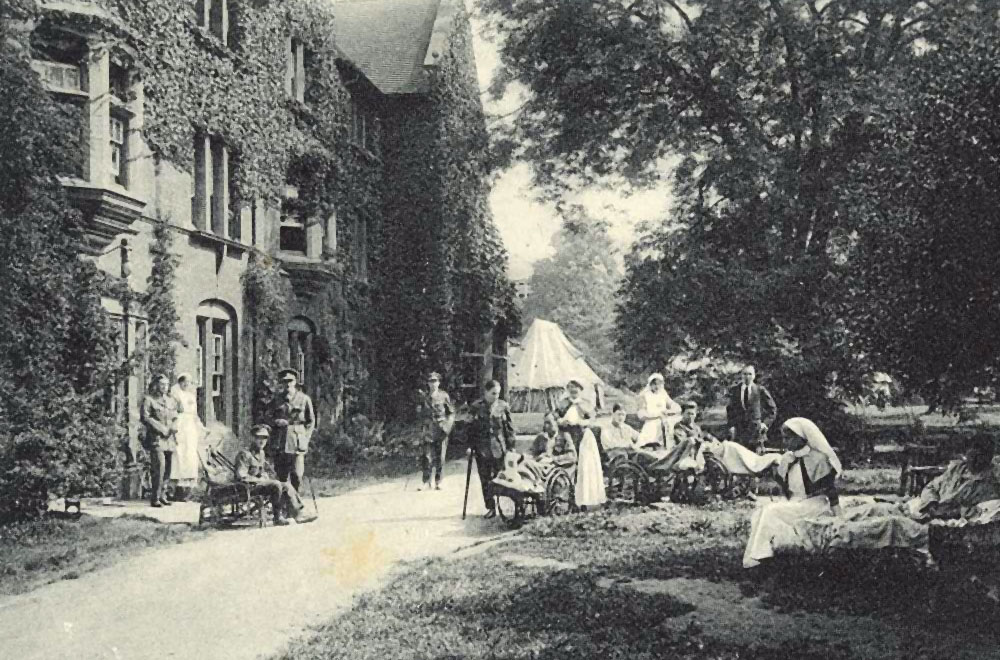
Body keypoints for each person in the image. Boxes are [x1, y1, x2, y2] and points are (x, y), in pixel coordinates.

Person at [743, 417, 842, 568]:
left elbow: (830, 491)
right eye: (783, 438)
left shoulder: (818, 459)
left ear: (801, 438)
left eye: (788, 438)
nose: (785, 442)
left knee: (771, 511)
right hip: (796, 503)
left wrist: (839, 517)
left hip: (815, 504)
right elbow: (787, 487)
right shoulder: (788, 458)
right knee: (760, 513)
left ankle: (760, 557)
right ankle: (757, 556)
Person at [234, 424, 313, 525]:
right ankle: (277, 517)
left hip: (259, 486)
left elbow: (263, 471)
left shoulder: (261, 453)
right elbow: (241, 476)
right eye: (259, 437)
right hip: (248, 487)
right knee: (276, 484)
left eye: (265, 438)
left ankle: (297, 514)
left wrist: (264, 475)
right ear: (253, 438)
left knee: (286, 485)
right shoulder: (245, 454)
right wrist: (260, 480)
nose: (262, 441)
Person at [467, 380, 516, 519]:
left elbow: (510, 429)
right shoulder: (476, 407)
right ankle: (491, 507)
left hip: (499, 448)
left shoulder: (503, 406)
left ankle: (503, 506)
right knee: (485, 479)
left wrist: (511, 446)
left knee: (501, 478)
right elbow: (470, 429)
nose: (496, 396)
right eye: (493, 393)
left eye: (498, 393)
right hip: (482, 449)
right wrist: (470, 446)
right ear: (486, 392)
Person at [268, 368, 315, 493]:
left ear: (295, 382)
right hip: (280, 442)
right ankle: (284, 505)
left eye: (290, 381)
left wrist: (305, 437)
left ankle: (296, 505)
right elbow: (268, 418)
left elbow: (311, 421)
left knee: (297, 475)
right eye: (284, 381)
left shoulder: (304, 399)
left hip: (297, 442)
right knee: (281, 476)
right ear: (281, 383)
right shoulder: (277, 400)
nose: (288, 384)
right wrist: (275, 422)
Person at [141, 374, 178, 509]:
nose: (164, 387)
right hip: (157, 438)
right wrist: (162, 428)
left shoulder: (171, 401)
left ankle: (163, 495)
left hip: (170, 439)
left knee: (168, 468)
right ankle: (155, 497)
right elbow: (146, 417)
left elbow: (175, 417)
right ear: (156, 385)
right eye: (162, 384)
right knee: (159, 467)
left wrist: (174, 427)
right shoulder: (149, 400)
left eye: (167, 384)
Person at [417, 372, 455, 491]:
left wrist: (447, 427)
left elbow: (451, 413)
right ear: (428, 383)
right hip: (428, 430)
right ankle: (426, 481)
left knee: (440, 457)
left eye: (435, 381)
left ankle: (439, 481)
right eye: (430, 381)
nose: (433, 384)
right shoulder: (423, 397)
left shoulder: (444, 396)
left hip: (441, 429)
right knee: (426, 457)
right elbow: (419, 414)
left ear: (439, 382)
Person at [169, 373, 203, 501]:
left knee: (190, 455)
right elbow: (173, 411)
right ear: (179, 382)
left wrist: (202, 427)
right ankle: (176, 489)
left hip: (190, 427)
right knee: (179, 455)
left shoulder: (191, 396)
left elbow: (194, 415)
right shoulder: (175, 393)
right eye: (184, 382)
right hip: (180, 425)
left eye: (188, 382)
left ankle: (187, 491)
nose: (186, 384)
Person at [726, 366, 777, 449]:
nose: (747, 377)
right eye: (745, 374)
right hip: (739, 432)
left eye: (750, 374)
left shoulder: (760, 390)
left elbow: (772, 409)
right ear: (741, 375)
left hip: (756, 431)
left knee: (756, 458)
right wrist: (731, 425)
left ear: (754, 376)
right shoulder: (735, 390)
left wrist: (765, 424)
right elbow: (730, 409)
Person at [637, 373, 682, 451]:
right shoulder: (644, 395)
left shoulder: (663, 394)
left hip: (664, 422)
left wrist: (669, 411)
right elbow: (641, 415)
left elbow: (677, 407)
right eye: (654, 384)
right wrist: (657, 415)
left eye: (659, 384)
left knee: (671, 429)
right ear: (650, 384)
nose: (657, 386)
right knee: (651, 438)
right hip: (651, 422)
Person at [555, 379, 595, 452]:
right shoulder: (564, 402)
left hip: (580, 429)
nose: (573, 389)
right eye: (570, 387)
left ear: (580, 389)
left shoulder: (586, 403)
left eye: (576, 387)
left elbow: (591, 418)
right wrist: (560, 421)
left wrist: (581, 422)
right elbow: (556, 415)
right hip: (565, 429)